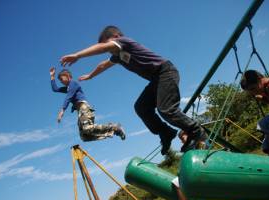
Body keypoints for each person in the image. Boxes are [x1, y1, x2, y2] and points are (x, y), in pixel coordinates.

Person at [60, 25, 207, 156]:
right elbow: (103, 65)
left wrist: (78, 55)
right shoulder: (117, 56)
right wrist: (90, 76)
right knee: (141, 107)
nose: (109, 51)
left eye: (108, 45)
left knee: (166, 109)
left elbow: (104, 48)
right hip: (156, 80)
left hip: (165, 72)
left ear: (116, 37)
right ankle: (166, 132)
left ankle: (196, 132)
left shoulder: (124, 42)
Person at [50, 67, 126, 141]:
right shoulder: (67, 88)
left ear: (67, 76)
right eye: (60, 81)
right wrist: (52, 76)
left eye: (61, 79)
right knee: (84, 136)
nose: (61, 82)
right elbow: (55, 89)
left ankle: (115, 127)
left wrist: (62, 110)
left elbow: (69, 96)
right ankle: (113, 131)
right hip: (80, 112)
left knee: (87, 128)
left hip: (84, 108)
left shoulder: (73, 83)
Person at [171, 130, 208, 200]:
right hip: (197, 170)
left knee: (176, 182)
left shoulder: (198, 142)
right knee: (178, 180)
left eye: (182, 138)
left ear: (188, 135)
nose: (182, 141)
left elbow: (201, 155)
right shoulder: (190, 147)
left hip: (202, 171)